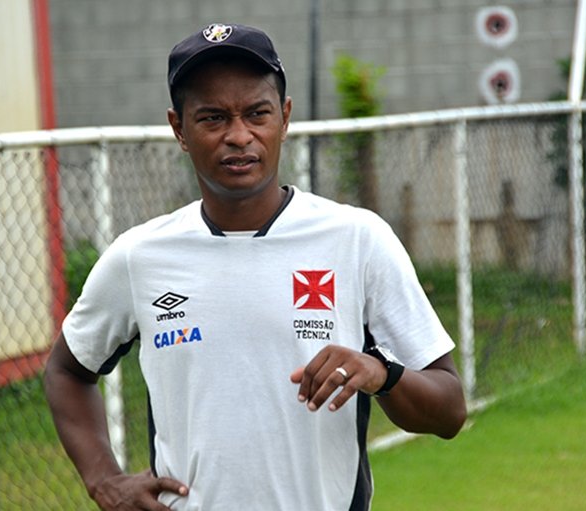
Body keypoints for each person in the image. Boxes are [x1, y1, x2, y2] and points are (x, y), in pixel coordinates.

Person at [44, 22, 467, 511]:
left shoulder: (356, 240)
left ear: (284, 118)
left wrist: (381, 373)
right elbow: (67, 371)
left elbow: (449, 409)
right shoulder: (139, 257)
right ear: (179, 129)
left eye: (256, 113)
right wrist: (104, 482)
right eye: (213, 118)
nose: (239, 136)